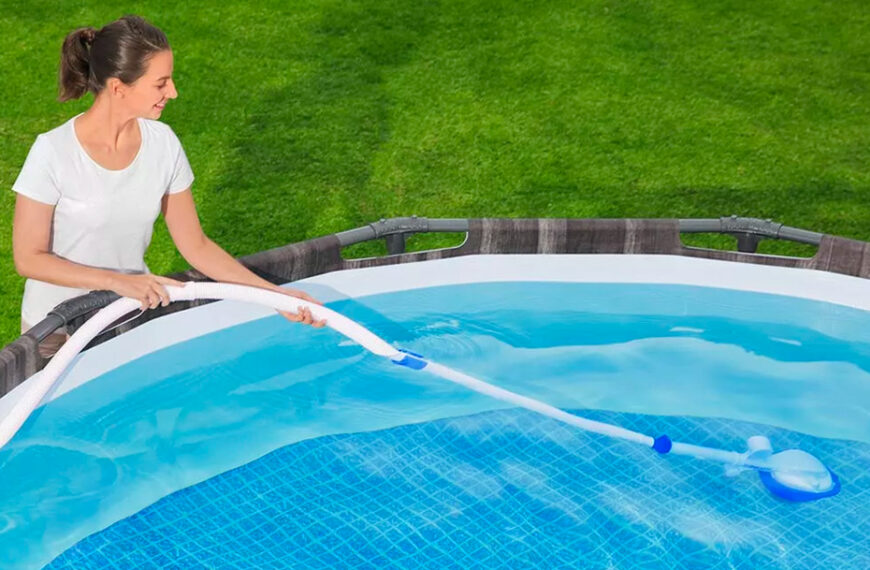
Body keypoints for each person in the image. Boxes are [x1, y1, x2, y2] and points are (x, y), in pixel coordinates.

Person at [12, 15, 325, 358]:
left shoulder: (163, 144)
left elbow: (197, 246)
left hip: (125, 316)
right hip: (56, 329)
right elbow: (29, 258)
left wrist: (273, 295)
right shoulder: (53, 151)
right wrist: (118, 281)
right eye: (160, 83)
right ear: (119, 88)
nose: (173, 92)